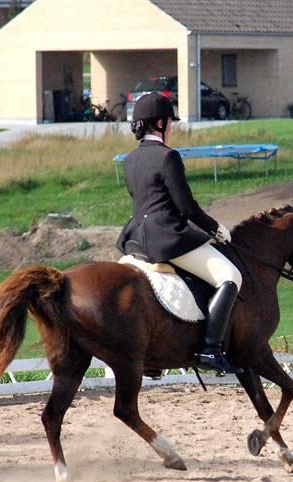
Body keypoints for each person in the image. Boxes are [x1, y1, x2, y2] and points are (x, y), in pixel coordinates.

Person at [116, 92, 243, 375]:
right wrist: (215, 228)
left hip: (135, 238)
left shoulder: (129, 159)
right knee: (231, 276)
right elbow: (186, 207)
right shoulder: (168, 157)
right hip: (166, 239)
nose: (172, 127)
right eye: (170, 122)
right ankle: (210, 349)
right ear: (160, 123)